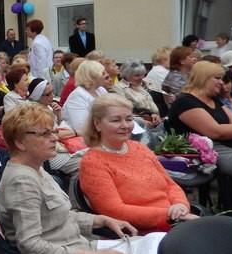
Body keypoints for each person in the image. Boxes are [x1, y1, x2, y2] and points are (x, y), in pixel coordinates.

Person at [0, 103, 138, 254]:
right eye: (45, 134)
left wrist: (100, 220)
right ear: (20, 142)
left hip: (83, 249)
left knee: (154, 250)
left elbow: (59, 217)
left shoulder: (36, 168)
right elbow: (30, 244)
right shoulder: (21, 181)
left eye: (53, 132)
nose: (54, 138)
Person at [168, 61, 232, 233]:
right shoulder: (185, 102)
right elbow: (215, 131)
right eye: (217, 78)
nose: (221, 82)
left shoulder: (213, 99)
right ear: (204, 78)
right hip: (207, 151)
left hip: (231, 143)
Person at [80, 95, 195, 233]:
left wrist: (180, 205)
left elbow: (170, 185)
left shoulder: (139, 148)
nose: (125, 125)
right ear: (97, 124)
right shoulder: (93, 162)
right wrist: (169, 215)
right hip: (142, 232)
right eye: (116, 120)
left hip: (177, 219)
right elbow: (114, 210)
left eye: (129, 119)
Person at [63, 59, 110, 134]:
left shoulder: (101, 90)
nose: (107, 75)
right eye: (103, 73)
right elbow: (81, 127)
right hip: (87, 137)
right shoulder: (77, 96)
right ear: (92, 76)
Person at [115, 59, 161, 127]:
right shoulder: (119, 88)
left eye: (143, 75)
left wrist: (155, 114)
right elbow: (122, 111)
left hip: (154, 121)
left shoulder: (146, 83)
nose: (141, 78)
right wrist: (142, 121)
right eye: (137, 75)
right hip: (135, 123)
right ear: (126, 75)